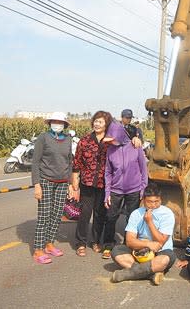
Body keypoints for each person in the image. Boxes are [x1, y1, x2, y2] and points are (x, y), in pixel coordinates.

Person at [111, 183, 176, 285]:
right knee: (117, 251)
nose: (153, 205)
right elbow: (129, 241)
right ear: (143, 200)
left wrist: (150, 222)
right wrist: (147, 244)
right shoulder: (136, 213)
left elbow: (161, 242)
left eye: (156, 202)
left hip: (160, 252)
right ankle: (151, 273)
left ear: (161, 200)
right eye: (149, 202)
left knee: (165, 259)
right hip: (139, 251)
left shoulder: (167, 214)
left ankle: (128, 274)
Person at [31, 112, 74, 264]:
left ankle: (49, 245)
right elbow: (35, 162)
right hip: (46, 181)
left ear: (65, 125)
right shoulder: (43, 137)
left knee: (56, 216)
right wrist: (37, 185)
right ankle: (38, 249)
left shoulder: (68, 139)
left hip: (62, 182)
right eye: (54, 121)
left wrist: (69, 184)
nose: (57, 124)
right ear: (50, 123)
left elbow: (70, 162)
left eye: (60, 122)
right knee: (44, 215)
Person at [102, 122, 148, 259]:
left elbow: (144, 170)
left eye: (114, 139)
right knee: (110, 217)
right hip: (115, 190)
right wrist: (107, 193)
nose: (112, 142)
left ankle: (129, 245)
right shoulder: (110, 150)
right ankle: (108, 244)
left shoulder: (136, 147)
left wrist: (142, 189)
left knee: (132, 218)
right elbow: (108, 173)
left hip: (134, 189)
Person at [71, 111, 112, 257]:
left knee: (100, 214)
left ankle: (95, 241)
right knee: (85, 214)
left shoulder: (111, 141)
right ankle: (80, 243)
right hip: (87, 183)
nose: (97, 124)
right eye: (95, 121)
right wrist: (74, 180)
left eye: (100, 121)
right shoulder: (85, 140)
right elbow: (77, 161)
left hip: (104, 184)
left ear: (106, 124)